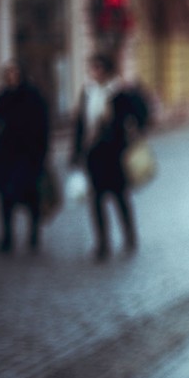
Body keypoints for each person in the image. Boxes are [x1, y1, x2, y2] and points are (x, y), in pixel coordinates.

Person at [71, 54, 147, 261]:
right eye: (92, 68)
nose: (94, 72)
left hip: (114, 155)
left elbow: (139, 114)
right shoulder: (87, 92)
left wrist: (126, 136)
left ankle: (129, 236)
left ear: (106, 70)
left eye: (98, 68)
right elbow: (80, 124)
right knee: (96, 200)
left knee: (120, 197)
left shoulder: (119, 92)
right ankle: (102, 243)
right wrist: (76, 152)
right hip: (93, 155)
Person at [0, 61, 50, 254]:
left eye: (15, 72)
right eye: (8, 73)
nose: (12, 76)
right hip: (6, 157)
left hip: (28, 156)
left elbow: (43, 126)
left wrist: (41, 154)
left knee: (30, 197)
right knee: (5, 197)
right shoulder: (3, 96)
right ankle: (8, 236)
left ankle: (33, 234)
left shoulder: (33, 96)